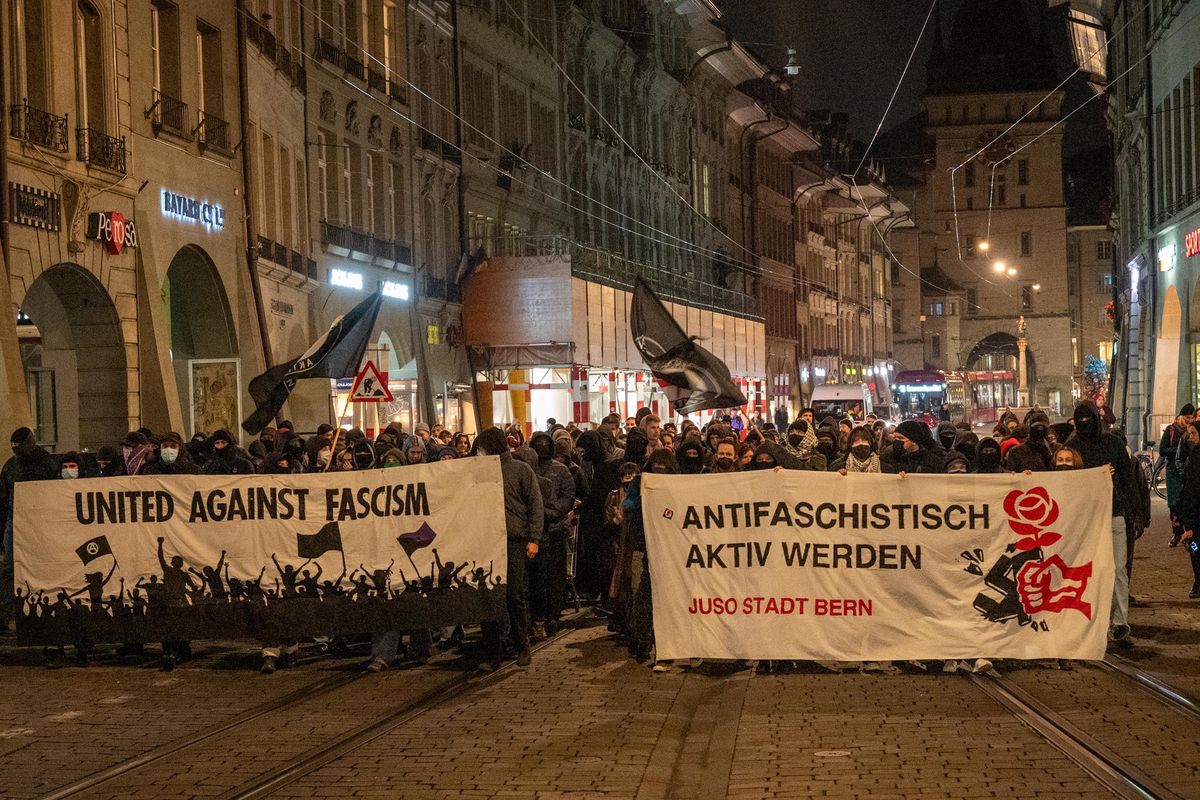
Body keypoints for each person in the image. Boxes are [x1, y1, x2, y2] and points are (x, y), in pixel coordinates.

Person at [1066, 403, 1138, 646]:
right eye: (1080, 419)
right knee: (1091, 570)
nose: (1085, 423)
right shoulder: (1072, 447)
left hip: (1114, 514)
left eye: (1088, 418)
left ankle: (1120, 623)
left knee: (1118, 569)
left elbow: (1129, 482)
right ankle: (1094, 620)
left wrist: (1134, 515)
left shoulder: (1113, 444)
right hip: (1086, 519)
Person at [475, 427, 543, 670]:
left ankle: (521, 644)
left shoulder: (520, 470)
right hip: (487, 542)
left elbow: (535, 505)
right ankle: (493, 650)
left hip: (514, 541)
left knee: (514, 596)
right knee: (488, 597)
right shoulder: (479, 473)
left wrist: (534, 538)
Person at [528, 432, 575, 637]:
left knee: (555, 577)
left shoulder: (561, 470)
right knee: (536, 579)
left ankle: (553, 614)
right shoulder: (528, 468)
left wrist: (555, 513)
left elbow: (568, 496)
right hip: (536, 532)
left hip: (555, 530)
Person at [1163, 404, 1194, 547]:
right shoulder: (1171, 429)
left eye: (1191, 417)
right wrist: (1179, 449)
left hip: (1187, 472)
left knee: (1186, 503)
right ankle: (1177, 532)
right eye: (1187, 417)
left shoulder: (1192, 431)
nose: (1189, 420)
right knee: (1174, 504)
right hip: (1173, 471)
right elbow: (1163, 449)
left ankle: (1187, 533)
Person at [1175, 421, 1200, 598]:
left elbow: (1193, 489)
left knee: (1195, 549)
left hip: (1196, 516)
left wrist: (1189, 522)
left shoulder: (1196, 458)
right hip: (1192, 514)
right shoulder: (1193, 454)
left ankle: (1198, 580)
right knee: (1195, 549)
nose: (1190, 437)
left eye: (1193, 434)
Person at [881, 421, 947, 474]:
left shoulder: (933, 462)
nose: (897, 441)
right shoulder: (889, 458)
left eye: (901, 438)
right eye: (895, 437)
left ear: (914, 441)